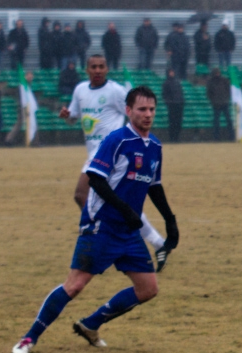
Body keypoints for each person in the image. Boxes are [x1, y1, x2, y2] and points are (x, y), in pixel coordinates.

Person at [11, 86, 179, 353]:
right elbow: (96, 180)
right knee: (75, 285)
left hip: (127, 231)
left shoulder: (155, 146)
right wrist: (124, 209)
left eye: (151, 109)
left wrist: (170, 221)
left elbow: (154, 186)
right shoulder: (117, 140)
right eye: (141, 109)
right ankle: (30, 337)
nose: (147, 114)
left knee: (148, 289)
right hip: (101, 225)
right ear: (128, 111)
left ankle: (91, 324)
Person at [60, 55, 171, 270]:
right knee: (108, 202)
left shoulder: (115, 91)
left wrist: (133, 143)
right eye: (94, 67)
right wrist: (67, 115)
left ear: (107, 68)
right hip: (95, 155)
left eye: (102, 66)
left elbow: (134, 112)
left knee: (83, 194)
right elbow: (74, 116)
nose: (98, 70)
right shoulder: (80, 90)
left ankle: (107, 234)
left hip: (115, 155)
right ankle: (155, 242)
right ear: (87, 70)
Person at [206, 68, 234, 141]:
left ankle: (232, 136)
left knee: (229, 120)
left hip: (224, 103)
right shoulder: (210, 82)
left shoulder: (224, 80)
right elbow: (209, 93)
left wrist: (226, 99)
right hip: (216, 104)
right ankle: (216, 137)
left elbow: (228, 90)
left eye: (218, 72)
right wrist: (213, 101)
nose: (217, 74)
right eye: (216, 73)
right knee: (216, 122)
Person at [162, 69, 184, 143]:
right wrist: (169, 102)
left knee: (178, 122)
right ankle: (172, 138)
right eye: (170, 72)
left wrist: (182, 101)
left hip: (179, 105)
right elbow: (165, 95)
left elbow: (181, 93)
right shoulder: (166, 83)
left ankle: (177, 137)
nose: (172, 73)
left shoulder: (177, 82)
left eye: (172, 72)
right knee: (172, 122)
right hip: (172, 106)